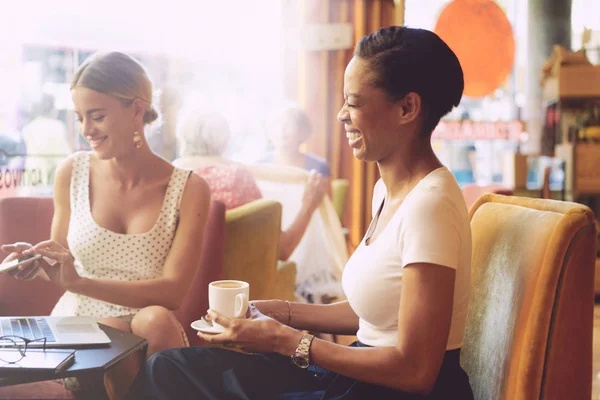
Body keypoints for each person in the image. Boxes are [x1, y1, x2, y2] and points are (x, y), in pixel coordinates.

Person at [126, 26, 473, 400]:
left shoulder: (430, 205)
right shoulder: (388, 192)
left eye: (354, 102)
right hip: (362, 373)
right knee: (171, 368)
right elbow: (376, 312)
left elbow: (416, 371)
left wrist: (284, 340)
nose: (342, 115)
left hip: (394, 391)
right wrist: (280, 313)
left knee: (190, 382)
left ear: (407, 108)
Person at [0, 52, 210, 397]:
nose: (86, 131)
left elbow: (173, 292)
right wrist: (34, 261)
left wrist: (80, 281)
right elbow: (60, 260)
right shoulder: (72, 172)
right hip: (84, 317)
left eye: (97, 116)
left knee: (153, 319)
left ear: (137, 110)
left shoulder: (188, 188)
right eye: (80, 117)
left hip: (151, 318)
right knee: (109, 330)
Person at [173, 110, 326, 261]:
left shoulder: (170, 179)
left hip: (184, 282)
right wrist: (308, 205)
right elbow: (281, 250)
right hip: (237, 281)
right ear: (225, 141)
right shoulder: (236, 178)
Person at [19, 93, 72, 196]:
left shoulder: (29, 127)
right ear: (53, 108)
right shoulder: (58, 127)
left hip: (32, 179)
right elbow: (65, 155)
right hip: (53, 179)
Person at [265, 104, 331, 177]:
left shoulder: (319, 166)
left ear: (302, 130)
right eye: (277, 123)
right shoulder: (259, 165)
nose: (282, 129)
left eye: (288, 124)